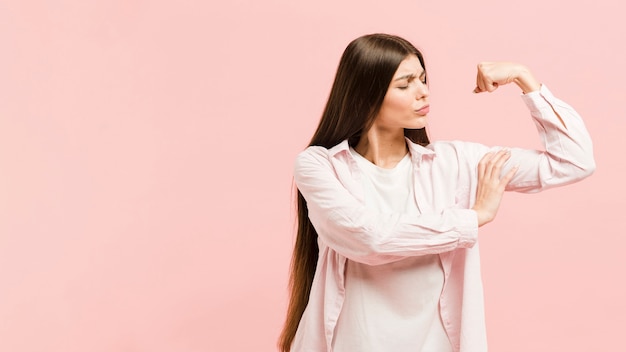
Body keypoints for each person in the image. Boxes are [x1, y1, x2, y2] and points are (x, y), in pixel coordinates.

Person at [278, 33, 595, 352]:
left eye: (423, 79)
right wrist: (471, 219)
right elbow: (368, 237)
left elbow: (573, 161)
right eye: (405, 84)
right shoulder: (320, 166)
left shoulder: (456, 163)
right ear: (365, 95)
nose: (424, 92)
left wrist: (526, 80)